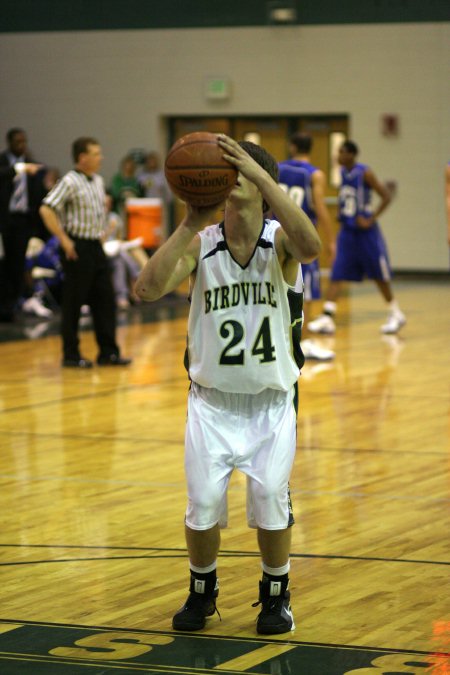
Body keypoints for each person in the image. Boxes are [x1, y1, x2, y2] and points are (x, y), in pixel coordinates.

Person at [135, 135, 321, 634]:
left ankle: (276, 596)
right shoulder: (202, 243)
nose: (226, 176)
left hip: (271, 403)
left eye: (236, 170)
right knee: (202, 507)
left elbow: (313, 247)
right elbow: (147, 289)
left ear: (260, 185)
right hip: (212, 403)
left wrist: (262, 177)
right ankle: (202, 592)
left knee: (271, 503)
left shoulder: (281, 241)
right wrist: (189, 222)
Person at [39, 136, 132, 368]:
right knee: (74, 302)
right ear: (83, 157)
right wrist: (64, 240)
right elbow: (46, 209)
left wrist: (102, 232)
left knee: (105, 301)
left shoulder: (98, 181)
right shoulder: (69, 181)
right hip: (77, 247)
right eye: (96, 153)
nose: (101, 157)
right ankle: (71, 355)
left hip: (95, 246)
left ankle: (108, 352)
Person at [308, 140, 406, 335]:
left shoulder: (365, 172)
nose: (338, 156)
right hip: (347, 231)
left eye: (342, 152)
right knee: (337, 271)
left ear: (352, 154)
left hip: (366, 233)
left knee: (379, 274)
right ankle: (327, 316)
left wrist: (371, 219)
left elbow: (386, 196)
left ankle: (395, 312)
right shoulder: (343, 173)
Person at [278, 133, 336, 361]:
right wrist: (331, 239)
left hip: (275, 232)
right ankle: (304, 342)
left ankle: (284, 341)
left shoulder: (277, 168)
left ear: (292, 146)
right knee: (307, 290)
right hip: (301, 237)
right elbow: (320, 208)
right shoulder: (314, 174)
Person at [0, 128, 46, 322]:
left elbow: (37, 195)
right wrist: (19, 169)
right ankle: (2, 307)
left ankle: (11, 308)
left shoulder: (30, 163)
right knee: (3, 266)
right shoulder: (3, 161)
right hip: (4, 221)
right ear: (9, 143)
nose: (22, 145)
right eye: (18, 142)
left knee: (18, 266)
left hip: (23, 221)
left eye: (24, 141)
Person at [138, 151, 173, 239]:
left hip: (160, 206)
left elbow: (168, 191)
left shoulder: (162, 175)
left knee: (160, 231)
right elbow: (138, 191)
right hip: (145, 207)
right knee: (147, 230)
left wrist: (168, 202)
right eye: (149, 161)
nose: (151, 163)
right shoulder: (141, 176)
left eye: (153, 160)